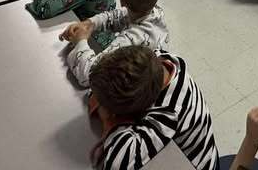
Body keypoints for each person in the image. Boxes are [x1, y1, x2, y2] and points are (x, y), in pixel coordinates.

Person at [88, 46, 218, 170]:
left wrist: (107, 119)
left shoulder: (169, 112)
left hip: (195, 163)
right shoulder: (155, 60)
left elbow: (117, 164)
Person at [58, 0, 169, 88]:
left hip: (135, 90)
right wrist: (89, 24)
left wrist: (80, 41)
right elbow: (117, 15)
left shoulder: (129, 41)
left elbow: (90, 74)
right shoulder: (155, 11)